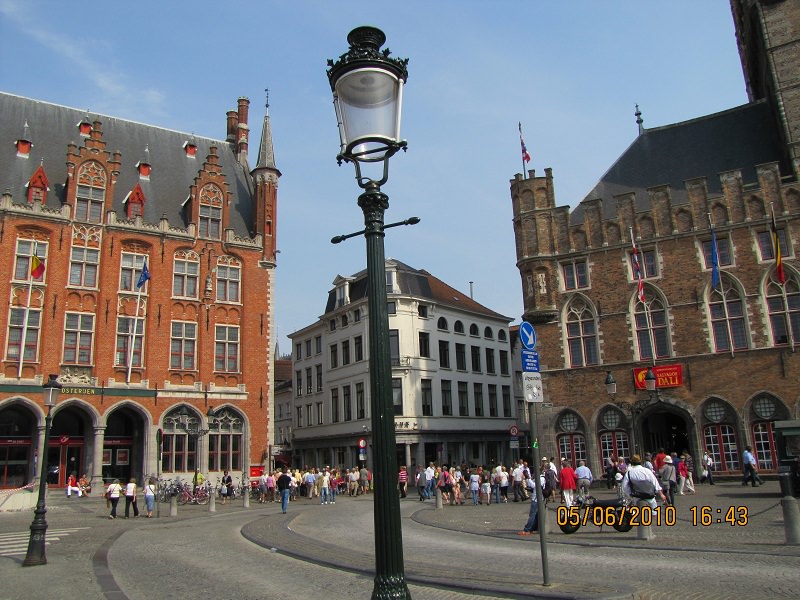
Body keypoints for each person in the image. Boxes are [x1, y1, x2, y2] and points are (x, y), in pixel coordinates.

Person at [518, 470, 545, 535]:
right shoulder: (539, 478)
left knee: (532, 515)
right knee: (536, 515)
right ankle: (533, 528)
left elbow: (534, 486)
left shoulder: (541, 478)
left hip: (536, 499)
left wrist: (528, 477)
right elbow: (530, 485)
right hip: (538, 498)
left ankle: (527, 529)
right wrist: (528, 479)